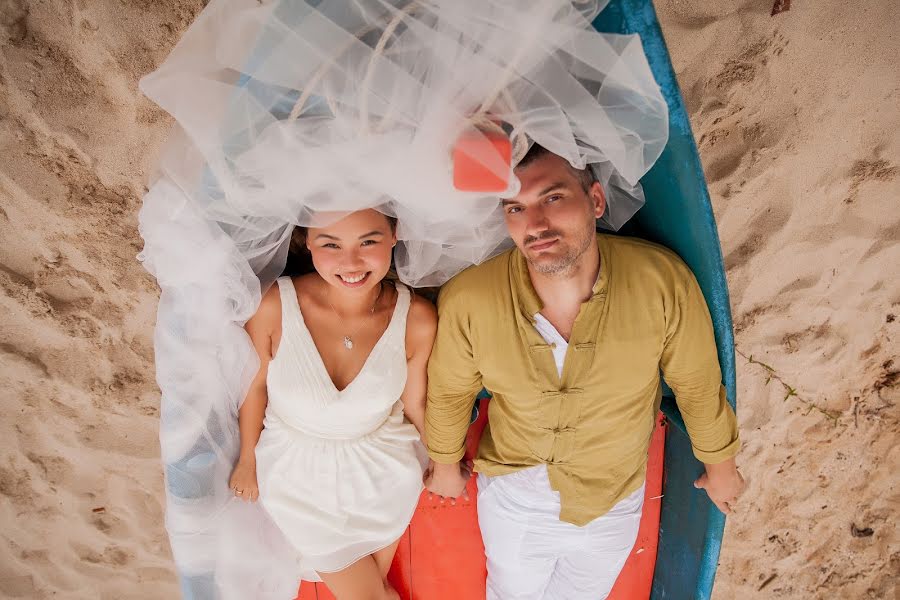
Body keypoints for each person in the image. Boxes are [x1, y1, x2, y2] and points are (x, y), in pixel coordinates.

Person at [424, 145, 745, 599]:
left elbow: (697, 385)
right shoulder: (470, 298)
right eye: (515, 207)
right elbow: (450, 392)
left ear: (596, 200)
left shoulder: (661, 281)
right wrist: (443, 463)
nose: (534, 224)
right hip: (517, 500)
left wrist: (721, 466)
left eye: (552, 198)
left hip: (615, 498)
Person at [229, 208, 436, 600]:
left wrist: (443, 460)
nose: (351, 263)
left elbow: (415, 400)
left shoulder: (417, 319)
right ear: (308, 241)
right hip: (296, 477)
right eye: (330, 244)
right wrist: (248, 460)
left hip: (384, 468)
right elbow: (253, 388)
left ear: (395, 235)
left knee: (377, 592)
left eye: (369, 241)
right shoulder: (274, 305)